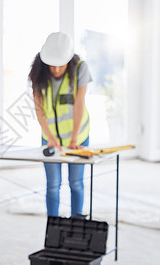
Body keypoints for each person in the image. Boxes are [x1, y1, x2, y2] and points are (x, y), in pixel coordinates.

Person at [28, 32, 92, 217]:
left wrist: (73, 139)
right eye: (52, 66)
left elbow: (79, 104)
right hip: (50, 138)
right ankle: (53, 226)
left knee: (76, 183)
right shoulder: (38, 72)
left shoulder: (81, 68)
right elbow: (39, 109)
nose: (55, 70)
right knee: (53, 185)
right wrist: (50, 137)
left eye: (60, 65)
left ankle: (76, 222)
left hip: (78, 137)